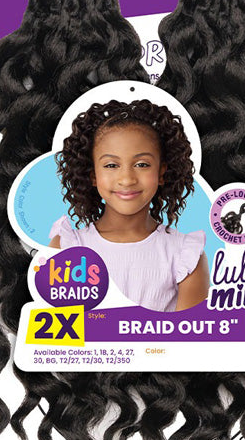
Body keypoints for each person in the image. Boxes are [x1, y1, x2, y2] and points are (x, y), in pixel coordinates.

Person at [49, 99, 208, 312]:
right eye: (111, 165)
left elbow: (190, 332)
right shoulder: (68, 248)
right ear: (93, 175)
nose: (127, 179)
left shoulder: (185, 255)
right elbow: (57, 326)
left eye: (142, 164)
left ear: (161, 173)